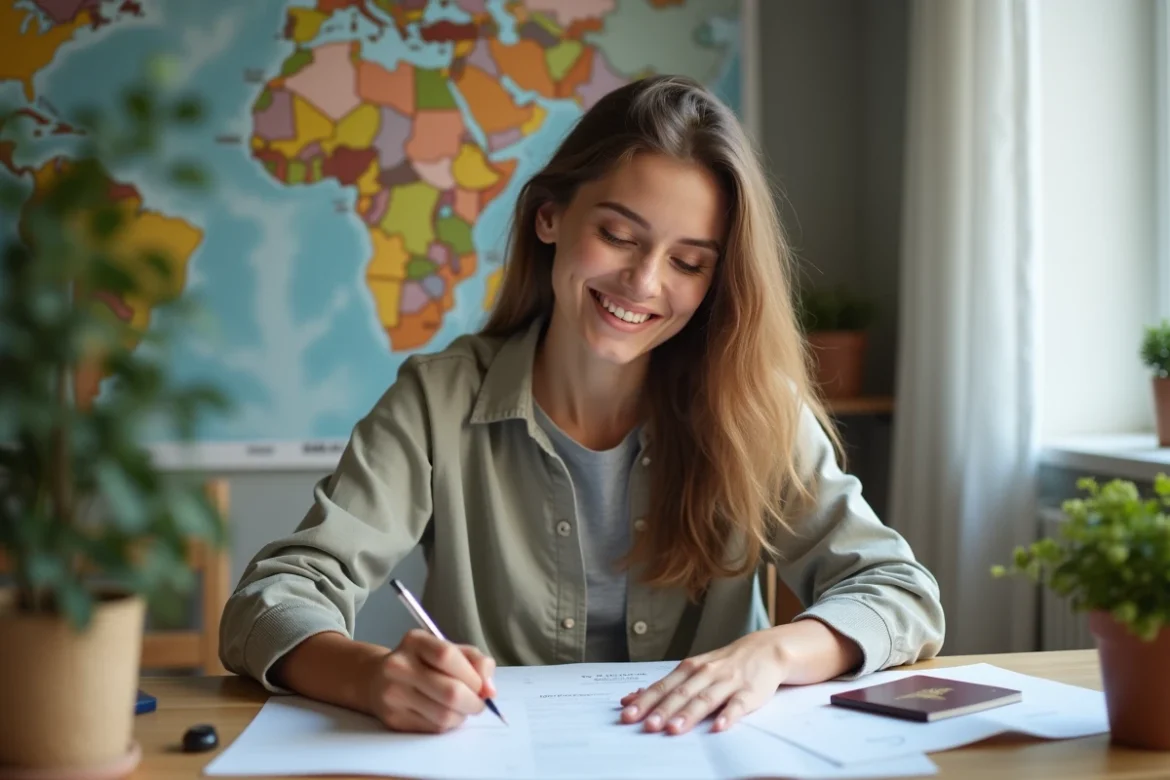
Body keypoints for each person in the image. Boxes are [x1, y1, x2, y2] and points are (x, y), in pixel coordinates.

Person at [218, 74, 945, 738]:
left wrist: (773, 652)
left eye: (688, 263)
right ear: (550, 218)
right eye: (619, 236)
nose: (643, 283)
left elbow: (901, 593)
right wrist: (373, 678)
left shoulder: (755, 409)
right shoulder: (437, 399)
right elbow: (270, 600)